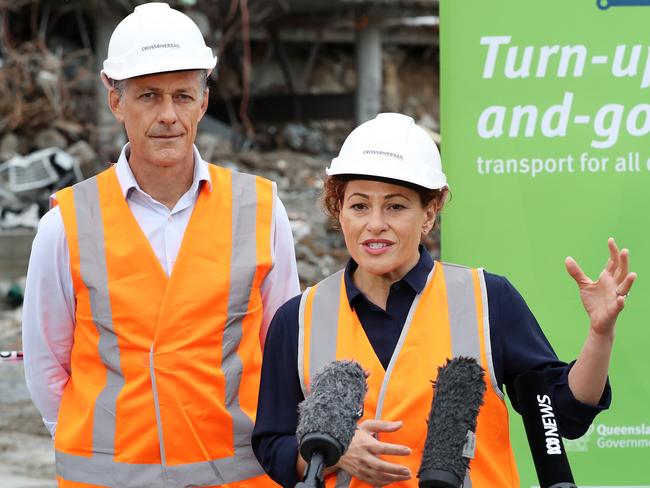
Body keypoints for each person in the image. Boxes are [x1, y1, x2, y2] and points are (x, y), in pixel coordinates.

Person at [251, 113, 636, 487]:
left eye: (396, 206)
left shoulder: (489, 299)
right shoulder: (298, 319)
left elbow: (565, 415)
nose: (375, 224)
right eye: (359, 205)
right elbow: (273, 445)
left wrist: (600, 335)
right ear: (339, 210)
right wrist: (331, 452)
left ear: (430, 213)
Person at [22, 3, 299, 487]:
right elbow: (47, 365)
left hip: (237, 476)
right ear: (116, 102)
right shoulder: (65, 225)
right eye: (149, 96)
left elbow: (283, 349)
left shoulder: (260, 209)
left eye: (182, 95)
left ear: (204, 102)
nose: (168, 115)